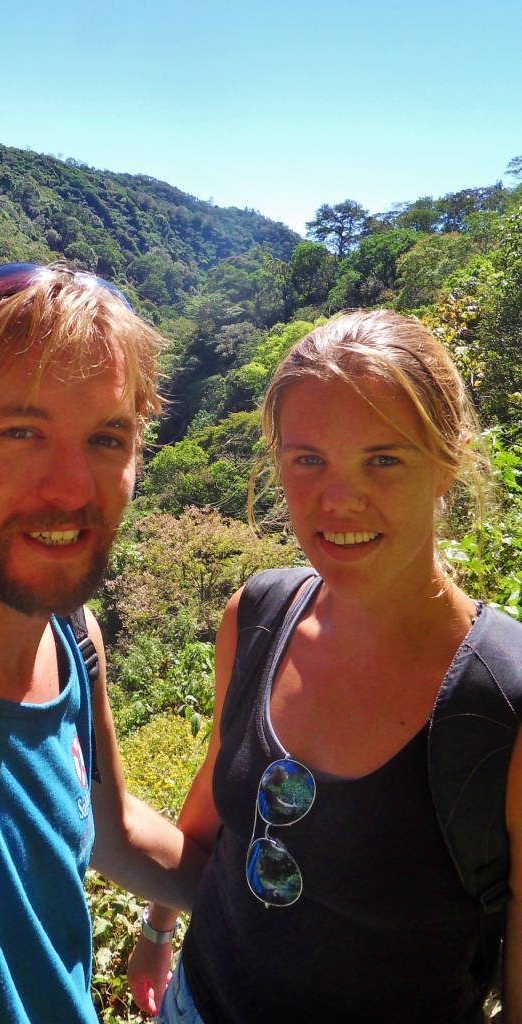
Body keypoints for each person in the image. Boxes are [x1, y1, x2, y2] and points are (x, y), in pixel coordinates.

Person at [128, 309, 522, 1023]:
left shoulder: (503, 697)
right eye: (307, 459)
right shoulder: (256, 615)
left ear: (448, 463)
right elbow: (214, 811)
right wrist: (158, 928)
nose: (337, 501)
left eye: (383, 459)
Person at [0, 263, 206, 1024]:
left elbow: (113, 832)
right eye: (21, 432)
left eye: (105, 438)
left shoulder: (72, 639)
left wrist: (302, 907)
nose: (69, 489)